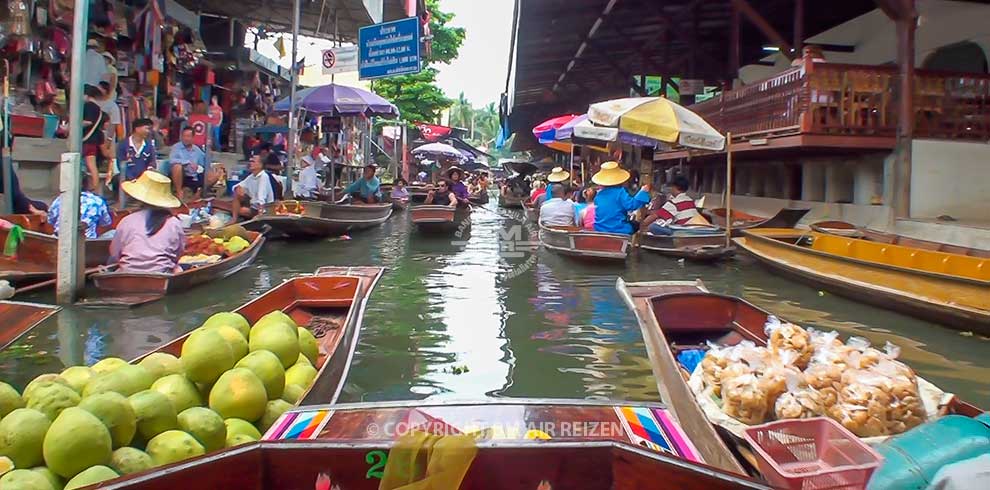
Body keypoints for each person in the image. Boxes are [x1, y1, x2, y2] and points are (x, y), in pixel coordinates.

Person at [108, 171, 185, 273]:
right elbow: (178, 253)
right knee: (178, 269)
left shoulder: (127, 221)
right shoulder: (174, 223)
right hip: (162, 272)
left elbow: (115, 253)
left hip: (127, 273)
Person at [592, 162, 650, 234]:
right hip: (618, 229)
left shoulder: (598, 195)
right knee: (636, 225)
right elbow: (631, 205)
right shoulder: (620, 192)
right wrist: (642, 192)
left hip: (599, 228)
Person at [48, 178, 113, 239]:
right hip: (88, 241)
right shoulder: (97, 201)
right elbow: (106, 223)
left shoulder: (59, 199)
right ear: (87, 184)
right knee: (113, 232)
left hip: (59, 238)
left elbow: (50, 220)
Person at [233, 155, 275, 221]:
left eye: (253, 161)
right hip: (254, 207)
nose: (250, 163)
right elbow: (237, 186)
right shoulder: (251, 176)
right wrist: (238, 188)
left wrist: (260, 215)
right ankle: (234, 219)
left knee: (242, 210)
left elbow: (261, 198)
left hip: (265, 209)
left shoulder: (264, 177)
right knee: (237, 193)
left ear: (260, 165)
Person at [115, 118, 158, 184]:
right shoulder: (123, 145)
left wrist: (149, 171)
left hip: (145, 180)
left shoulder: (149, 145)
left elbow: (152, 161)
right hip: (127, 179)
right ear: (137, 129)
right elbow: (121, 164)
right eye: (147, 128)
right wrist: (132, 179)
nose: (148, 131)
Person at [169, 127, 207, 198]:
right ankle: (179, 191)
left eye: (188, 136)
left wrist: (198, 167)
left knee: (214, 174)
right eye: (184, 136)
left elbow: (204, 164)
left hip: (194, 176)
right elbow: (172, 160)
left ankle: (199, 192)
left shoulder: (197, 150)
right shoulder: (176, 147)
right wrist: (188, 162)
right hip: (182, 175)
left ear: (193, 137)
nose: (185, 138)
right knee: (177, 166)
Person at [82, 85, 107, 191]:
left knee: (87, 165)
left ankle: (91, 188)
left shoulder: (88, 106)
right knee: (92, 166)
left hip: (86, 140)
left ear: (86, 95)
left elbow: (87, 122)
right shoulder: (98, 109)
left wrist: (73, 124)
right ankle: (94, 189)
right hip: (94, 140)